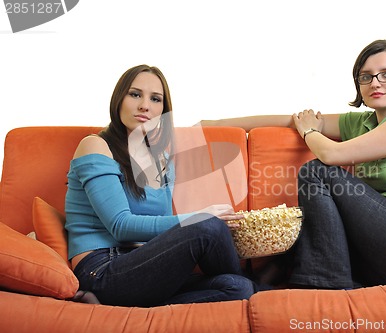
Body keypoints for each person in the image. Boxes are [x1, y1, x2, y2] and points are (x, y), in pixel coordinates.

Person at [201, 38, 386, 289]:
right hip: (385, 249)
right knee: (309, 231)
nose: (375, 83)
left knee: (316, 171)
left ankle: (326, 286)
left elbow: (331, 155)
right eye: (366, 76)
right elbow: (293, 120)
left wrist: (310, 133)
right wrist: (210, 126)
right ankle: (250, 289)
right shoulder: (361, 124)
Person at [65, 64, 255, 307]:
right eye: (135, 94)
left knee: (238, 287)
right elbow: (121, 226)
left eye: (155, 99)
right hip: (102, 269)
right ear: (118, 99)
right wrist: (200, 217)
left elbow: (161, 232)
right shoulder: (96, 146)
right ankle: (108, 298)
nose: (145, 105)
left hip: (146, 266)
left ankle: (133, 307)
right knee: (208, 226)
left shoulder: (161, 160)